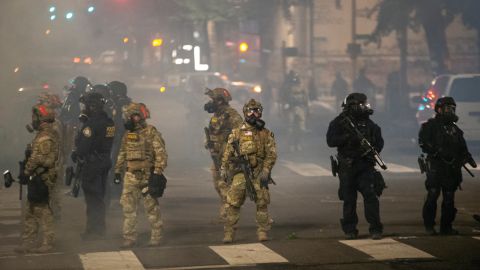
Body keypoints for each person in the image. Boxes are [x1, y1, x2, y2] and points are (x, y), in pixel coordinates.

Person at [326, 93, 384, 240]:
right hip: (348, 166)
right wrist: (348, 138)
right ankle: (350, 229)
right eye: (362, 104)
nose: (365, 107)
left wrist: (370, 150)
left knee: (371, 196)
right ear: (353, 106)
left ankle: (375, 228)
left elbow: (378, 142)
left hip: (365, 165)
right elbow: (331, 141)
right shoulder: (339, 123)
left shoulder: (369, 124)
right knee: (349, 199)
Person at [220, 99, 277, 243]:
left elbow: (271, 154)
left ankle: (262, 231)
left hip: (258, 172)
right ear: (245, 112)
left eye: (256, 111)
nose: (253, 114)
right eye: (250, 111)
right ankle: (229, 232)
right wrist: (224, 169)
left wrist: (266, 170)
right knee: (233, 203)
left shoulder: (266, 133)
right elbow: (228, 153)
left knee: (262, 202)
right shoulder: (237, 133)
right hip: (240, 173)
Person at [419, 96, 477, 235]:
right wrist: (437, 151)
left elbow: (462, 147)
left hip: (451, 167)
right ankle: (429, 226)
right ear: (439, 109)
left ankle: (446, 227)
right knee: (433, 194)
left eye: (452, 109)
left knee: (449, 197)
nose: (450, 111)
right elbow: (424, 142)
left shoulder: (455, 129)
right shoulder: (430, 126)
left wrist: (467, 157)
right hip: (436, 165)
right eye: (447, 108)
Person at [113, 102, 168, 248]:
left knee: (151, 207)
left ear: (138, 116)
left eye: (131, 116)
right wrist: (117, 171)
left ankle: (156, 235)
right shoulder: (128, 135)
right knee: (128, 208)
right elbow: (123, 153)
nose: (128, 119)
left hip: (147, 176)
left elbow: (161, 154)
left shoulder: (151, 132)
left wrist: (157, 173)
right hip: (130, 175)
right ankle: (129, 237)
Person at [15, 105, 59, 253]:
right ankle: (29, 241)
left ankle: (48, 241)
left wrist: (26, 171)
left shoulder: (46, 136)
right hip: (37, 177)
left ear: (41, 118)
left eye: (35, 117)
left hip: (43, 178)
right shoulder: (41, 135)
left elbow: (39, 159)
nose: (32, 120)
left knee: (43, 210)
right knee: (30, 210)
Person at [71, 91, 115, 240]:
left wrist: (76, 153)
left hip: (93, 164)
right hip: (104, 161)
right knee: (100, 197)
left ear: (92, 106)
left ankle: (93, 231)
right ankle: (99, 229)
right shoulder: (109, 122)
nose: (84, 108)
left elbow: (83, 148)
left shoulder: (90, 125)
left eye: (86, 105)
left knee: (92, 198)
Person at [204, 88, 243, 221]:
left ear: (220, 101)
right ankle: (227, 206)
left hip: (228, 157)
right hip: (216, 155)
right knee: (217, 184)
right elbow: (212, 132)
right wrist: (208, 142)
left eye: (213, 100)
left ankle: (229, 211)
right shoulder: (215, 116)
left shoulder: (232, 115)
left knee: (224, 184)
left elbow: (241, 133)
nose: (211, 103)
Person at [106, 81, 132, 204]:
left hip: (121, 140)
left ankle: (119, 192)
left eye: (110, 90)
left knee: (117, 166)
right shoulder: (121, 103)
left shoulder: (122, 105)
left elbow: (121, 124)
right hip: (119, 138)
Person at [283, 72, 308, 151]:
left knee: (301, 128)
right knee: (290, 128)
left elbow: (306, 99)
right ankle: (291, 145)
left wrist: (308, 109)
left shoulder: (302, 88)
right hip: (291, 108)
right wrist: (285, 108)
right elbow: (284, 99)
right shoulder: (288, 88)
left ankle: (298, 144)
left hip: (300, 108)